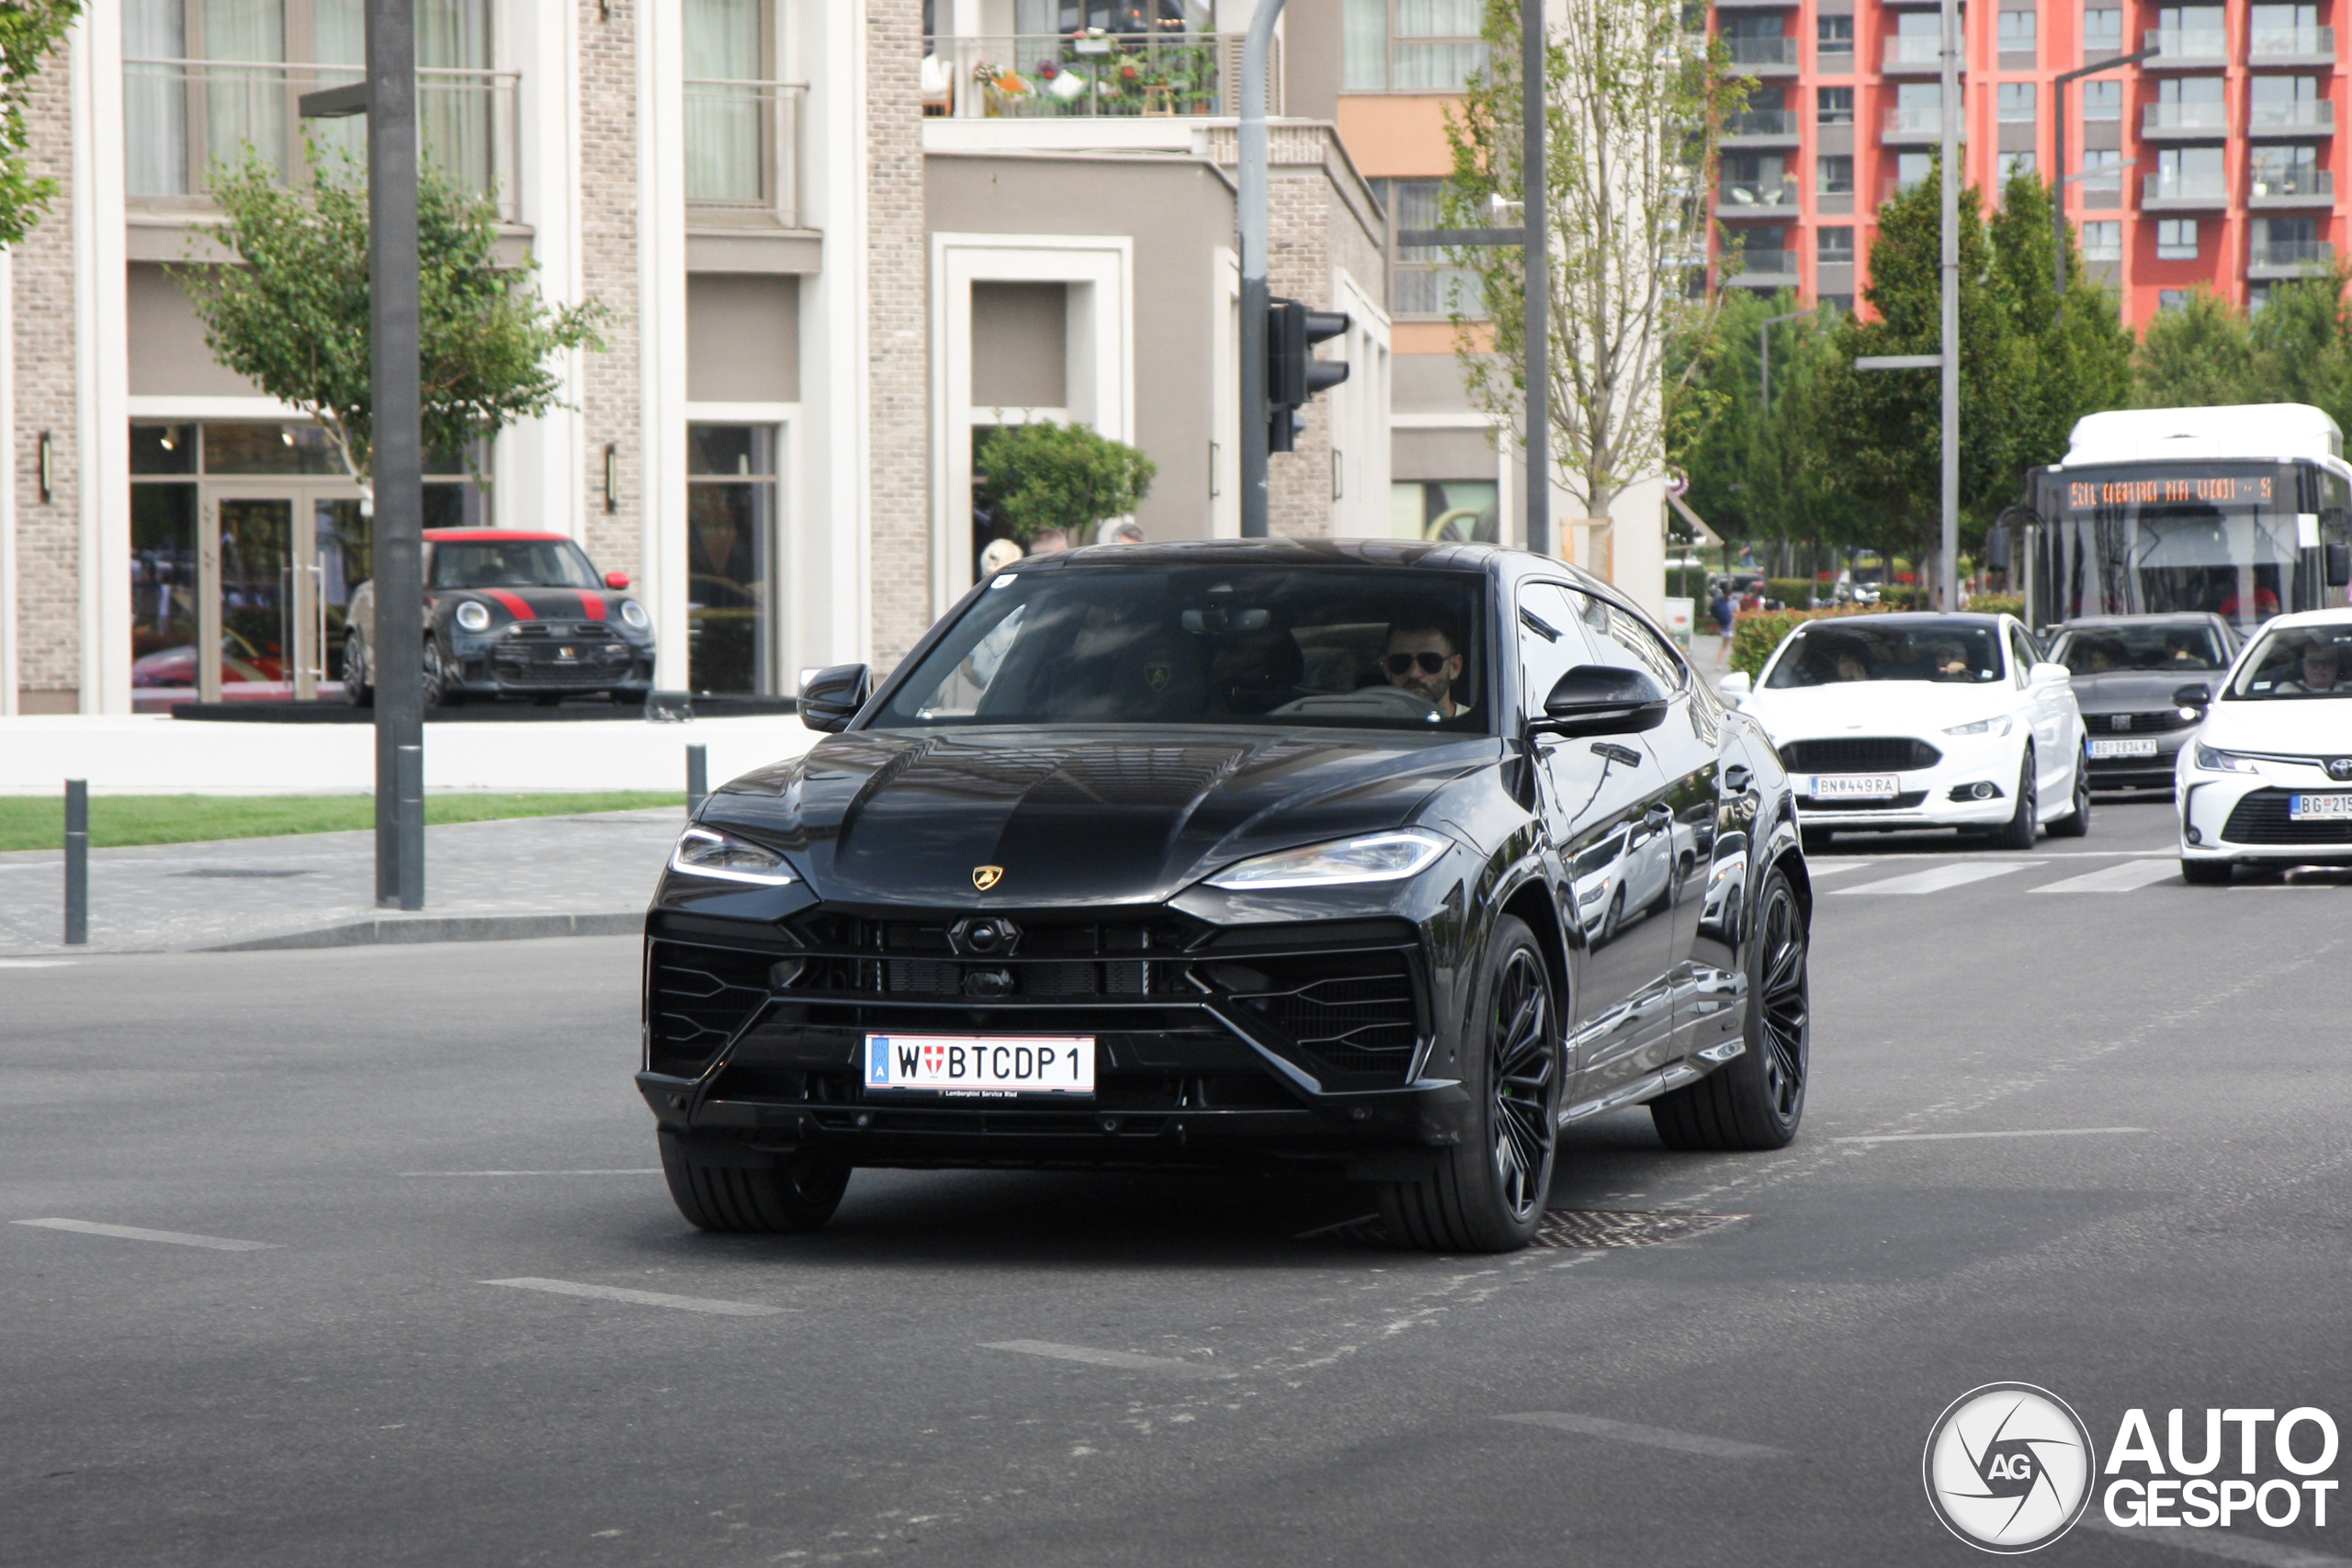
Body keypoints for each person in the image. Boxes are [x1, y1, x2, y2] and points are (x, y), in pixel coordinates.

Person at [1382, 622, 1464, 717]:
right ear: (1387, 669)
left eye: (1429, 662)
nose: (1414, 673)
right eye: (1401, 662)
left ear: (1454, 667)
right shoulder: (1371, 721)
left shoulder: (1475, 723)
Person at [2279, 638, 2345, 694]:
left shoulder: (2346, 689)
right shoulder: (2287, 690)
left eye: (2327, 661)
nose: (2320, 667)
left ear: (2336, 665)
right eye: (2313, 662)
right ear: (2303, 664)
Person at [1710, 586, 1736, 668]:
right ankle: (1733, 664)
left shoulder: (1720, 601)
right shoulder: (1734, 603)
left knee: (1723, 646)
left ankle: (1719, 664)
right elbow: (1737, 614)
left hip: (1724, 626)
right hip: (1733, 626)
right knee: (1734, 647)